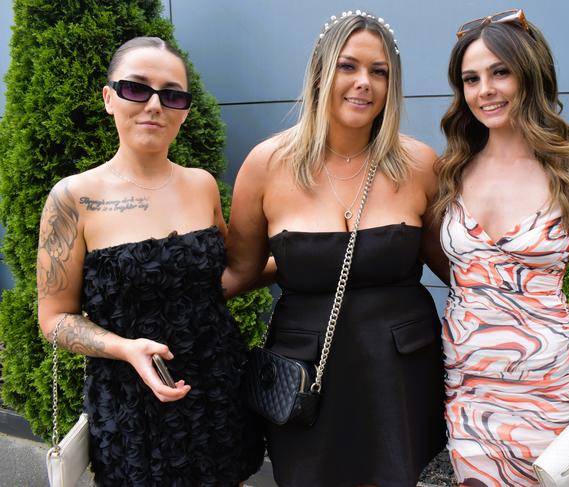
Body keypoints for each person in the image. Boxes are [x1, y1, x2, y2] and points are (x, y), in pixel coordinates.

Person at [223, 10, 446, 487]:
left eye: (378, 71)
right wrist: (151, 301)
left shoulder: (420, 164)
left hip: (402, 375)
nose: (363, 82)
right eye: (348, 66)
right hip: (307, 378)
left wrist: (534, 304)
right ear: (321, 72)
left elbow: (457, 269)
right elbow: (239, 272)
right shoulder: (266, 165)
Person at [36, 36, 263, 486]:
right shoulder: (73, 198)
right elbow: (54, 318)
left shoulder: (201, 185)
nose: (155, 105)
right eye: (137, 89)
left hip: (218, 391)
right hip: (131, 405)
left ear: (185, 108)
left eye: (172, 94)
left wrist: (313, 258)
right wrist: (125, 348)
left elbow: (222, 277)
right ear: (109, 98)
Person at [431, 9, 569, 486]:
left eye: (500, 72)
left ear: (530, 74)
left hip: (549, 392)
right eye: (470, 78)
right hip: (469, 394)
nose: (484, 90)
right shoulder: (450, 172)